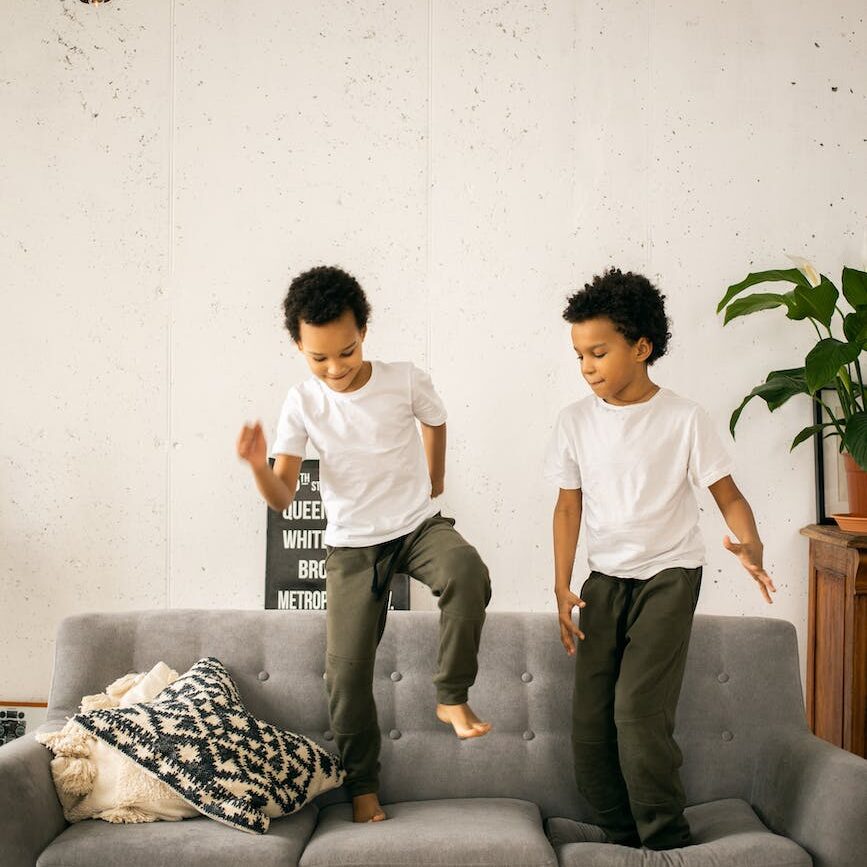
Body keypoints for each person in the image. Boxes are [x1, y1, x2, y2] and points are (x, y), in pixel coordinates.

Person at [236, 265, 492, 824]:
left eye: (346, 353)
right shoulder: (303, 401)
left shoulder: (403, 379)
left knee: (467, 572)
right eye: (318, 357)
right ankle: (363, 789)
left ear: (364, 331)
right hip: (353, 548)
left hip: (416, 528)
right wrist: (258, 465)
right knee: (346, 675)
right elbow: (281, 498)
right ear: (298, 347)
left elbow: (436, 420)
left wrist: (436, 478)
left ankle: (451, 694)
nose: (335, 369)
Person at [544, 267, 776, 850]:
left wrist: (750, 543)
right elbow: (567, 508)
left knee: (638, 713)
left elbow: (728, 496)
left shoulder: (684, 418)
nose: (587, 367)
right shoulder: (574, 421)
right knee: (590, 725)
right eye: (579, 356)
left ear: (641, 347)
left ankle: (666, 841)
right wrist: (561, 583)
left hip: (669, 577)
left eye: (598, 352)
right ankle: (621, 839)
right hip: (603, 582)